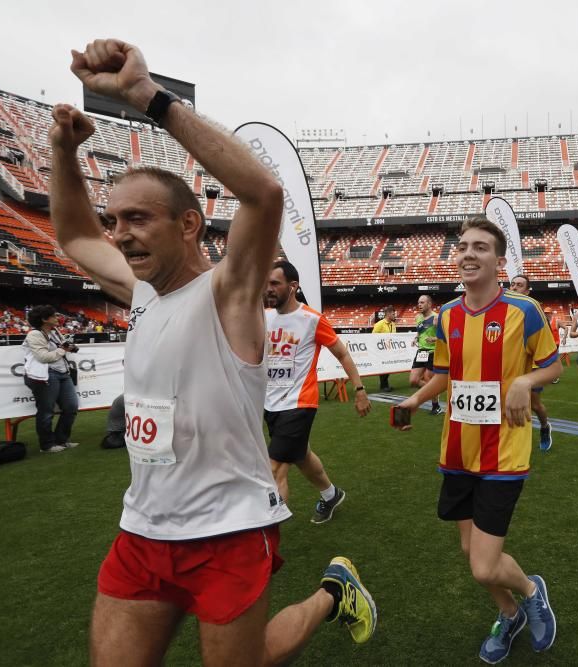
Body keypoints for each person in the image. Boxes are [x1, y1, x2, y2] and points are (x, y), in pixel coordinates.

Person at [49, 39, 374, 665]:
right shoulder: (139, 289)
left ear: (190, 224)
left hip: (228, 531)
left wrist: (147, 97)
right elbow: (73, 234)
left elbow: (263, 194)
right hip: (143, 528)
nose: (120, 234)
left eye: (137, 219)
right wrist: (65, 150)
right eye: (115, 221)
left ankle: (333, 594)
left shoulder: (229, 291)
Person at [396, 217, 560, 664]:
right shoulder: (445, 316)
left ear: (499, 260)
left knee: (484, 565)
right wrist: (414, 401)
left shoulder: (524, 311)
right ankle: (509, 614)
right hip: (456, 453)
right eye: (464, 246)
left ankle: (530, 590)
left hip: (503, 455)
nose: (469, 253)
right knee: (473, 555)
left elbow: (553, 365)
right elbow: (446, 374)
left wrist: (526, 381)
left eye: (481, 247)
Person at [265, 261, 372, 523]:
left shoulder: (312, 319)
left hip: (300, 403)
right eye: (267, 284)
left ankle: (268, 536)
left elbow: (342, 353)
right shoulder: (265, 316)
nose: (268, 289)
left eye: (274, 284)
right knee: (301, 455)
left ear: (293, 287)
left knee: (274, 468)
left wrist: (359, 389)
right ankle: (331, 495)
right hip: (270, 404)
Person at [22, 305, 80, 453]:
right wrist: (63, 349)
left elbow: (61, 349)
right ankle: (47, 445)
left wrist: (68, 347)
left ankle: (61, 440)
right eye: (54, 316)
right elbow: (43, 357)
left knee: (71, 407)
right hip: (46, 374)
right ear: (44, 319)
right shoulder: (34, 334)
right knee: (46, 411)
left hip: (62, 373)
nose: (57, 318)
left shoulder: (55, 332)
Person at [508, 275, 554, 451]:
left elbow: (545, 346)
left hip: (532, 367)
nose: (514, 288)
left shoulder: (535, 312)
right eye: (512, 284)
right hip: (510, 367)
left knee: (534, 405)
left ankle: (544, 427)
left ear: (527, 292)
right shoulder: (504, 312)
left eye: (519, 285)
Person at [410, 295, 442, 415]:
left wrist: (434, 339)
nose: (419, 305)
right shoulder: (418, 317)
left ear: (429, 304)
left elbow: (445, 337)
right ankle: (433, 391)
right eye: (418, 303)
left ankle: (436, 406)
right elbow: (420, 332)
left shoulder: (436, 317)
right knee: (413, 381)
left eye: (422, 302)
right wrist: (416, 338)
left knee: (429, 379)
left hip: (433, 352)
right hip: (421, 352)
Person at [372, 306, 397, 392]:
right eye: (393, 314)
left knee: (389, 368)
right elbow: (373, 337)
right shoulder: (379, 324)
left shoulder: (393, 324)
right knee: (384, 368)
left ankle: (385, 385)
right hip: (381, 351)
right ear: (388, 314)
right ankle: (383, 386)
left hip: (390, 350)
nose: (395, 315)